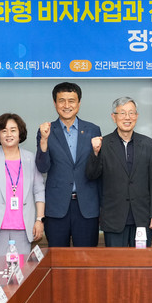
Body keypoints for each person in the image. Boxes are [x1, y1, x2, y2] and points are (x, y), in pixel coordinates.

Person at [86, 97, 152, 247]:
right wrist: (95, 153)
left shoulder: (148, 144)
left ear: (137, 116)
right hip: (113, 218)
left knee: (142, 261)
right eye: (122, 113)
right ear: (113, 117)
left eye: (131, 113)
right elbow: (91, 175)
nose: (127, 117)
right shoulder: (103, 144)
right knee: (116, 261)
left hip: (142, 218)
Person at [36, 82, 102, 247]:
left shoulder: (93, 130)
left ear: (79, 103)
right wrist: (44, 140)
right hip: (57, 207)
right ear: (55, 103)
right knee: (58, 258)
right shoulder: (46, 131)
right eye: (62, 101)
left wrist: (96, 153)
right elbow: (42, 167)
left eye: (71, 101)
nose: (67, 105)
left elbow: (97, 170)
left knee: (86, 258)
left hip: (86, 207)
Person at [0, 113, 45, 259]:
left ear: (20, 133)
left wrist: (39, 219)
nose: (8, 134)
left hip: (23, 225)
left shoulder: (30, 158)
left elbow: (39, 190)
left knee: (21, 268)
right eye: (4, 131)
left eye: (13, 130)